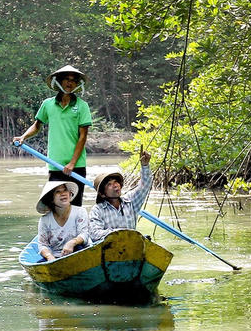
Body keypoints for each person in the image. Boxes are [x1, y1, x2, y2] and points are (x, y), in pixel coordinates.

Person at [13, 64, 92, 204]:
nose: (69, 83)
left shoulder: (82, 106)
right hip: (55, 164)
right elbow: (37, 126)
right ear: (60, 81)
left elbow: (83, 137)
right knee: (57, 206)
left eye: (73, 80)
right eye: (66, 79)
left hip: (76, 165)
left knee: (75, 206)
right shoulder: (48, 104)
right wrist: (23, 137)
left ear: (77, 84)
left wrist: (72, 163)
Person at [89, 149, 154, 242]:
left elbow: (145, 186)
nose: (115, 185)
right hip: (110, 250)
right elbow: (94, 234)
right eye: (109, 184)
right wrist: (118, 233)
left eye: (116, 182)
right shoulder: (98, 210)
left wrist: (145, 165)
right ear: (102, 194)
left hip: (130, 248)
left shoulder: (130, 201)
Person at [35, 180, 89, 261]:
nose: (63, 194)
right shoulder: (45, 220)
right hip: (56, 256)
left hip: (78, 251)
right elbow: (42, 245)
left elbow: (84, 234)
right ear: (51, 199)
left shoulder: (80, 212)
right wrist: (49, 256)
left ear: (70, 194)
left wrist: (72, 243)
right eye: (58, 192)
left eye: (65, 190)